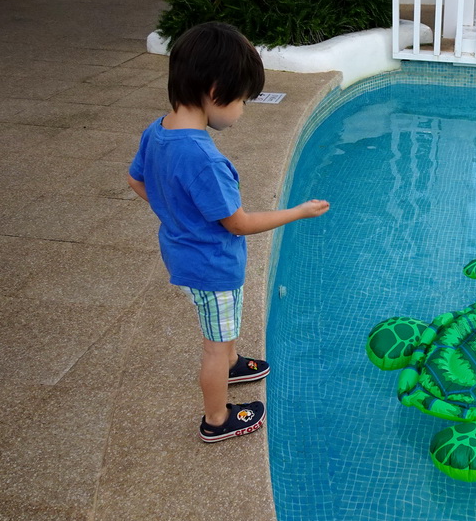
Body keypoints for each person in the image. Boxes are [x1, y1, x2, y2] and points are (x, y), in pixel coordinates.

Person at [127, 22, 330, 442]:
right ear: (215, 90)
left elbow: (137, 181)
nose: (241, 110)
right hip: (212, 267)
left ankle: (235, 361)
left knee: (222, 328)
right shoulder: (203, 159)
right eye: (241, 100)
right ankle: (216, 419)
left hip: (183, 255)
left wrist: (174, 215)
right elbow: (237, 223)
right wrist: (297, 212)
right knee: (213, 346)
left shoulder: (159, 130)